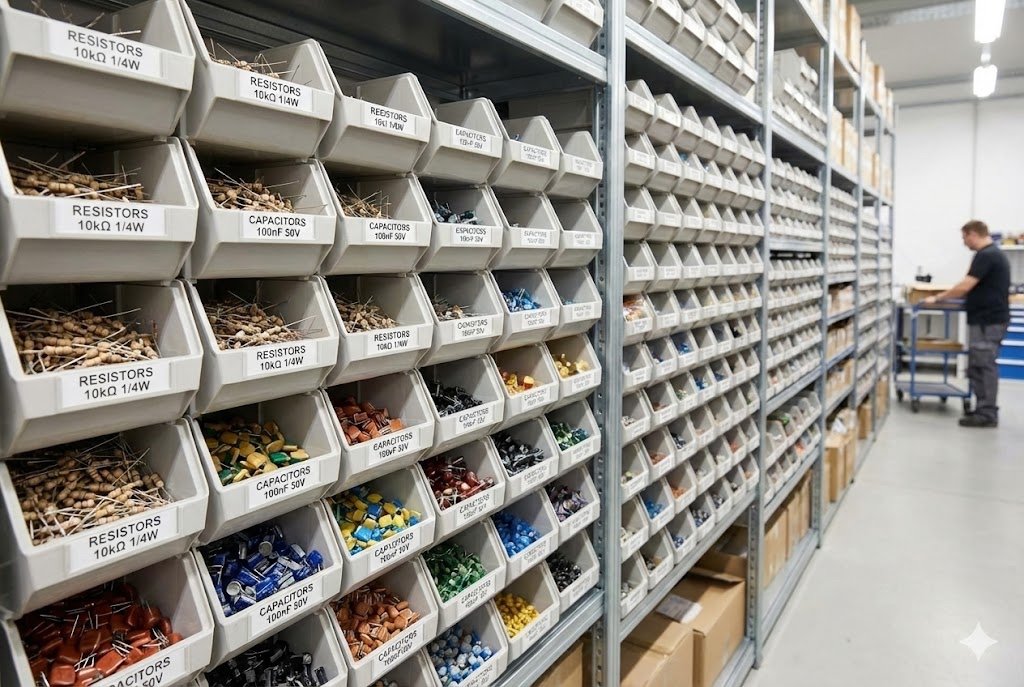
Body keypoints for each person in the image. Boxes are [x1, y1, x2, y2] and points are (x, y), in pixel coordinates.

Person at [923, 220, 1010, 428]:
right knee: (978, 366)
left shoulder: (987, 255)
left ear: (973, 234)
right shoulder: (991, 254)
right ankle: (982, 408)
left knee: (984, 365)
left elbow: (966, 285)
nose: (964, 243)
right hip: (985, 320)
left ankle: (987, 413)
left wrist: (939, 298)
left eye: (964, 238)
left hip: (988, 322)